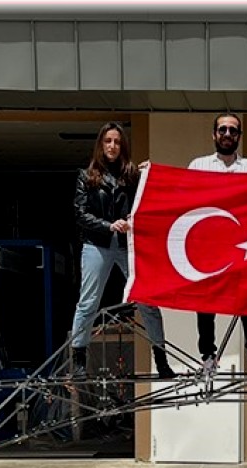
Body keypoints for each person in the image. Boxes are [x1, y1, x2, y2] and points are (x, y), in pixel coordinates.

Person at [69, 121, 175, 379]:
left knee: (147, 299)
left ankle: (160, 359)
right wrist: (109, 225)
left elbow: (151, 201)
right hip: (98, 243)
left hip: (128, 245)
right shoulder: (87, 176)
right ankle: (79, 360)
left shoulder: (132, 175)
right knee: (88, 301)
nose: (112, 146)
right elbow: (80, 213)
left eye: (117, 142)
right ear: (100, 145)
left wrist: (152, 174)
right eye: (108, 141)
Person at [187, 113, 247, 373]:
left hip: (242, 243)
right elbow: (186, 199)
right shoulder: (198, 165)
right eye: (222, 130)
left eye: (233, 130)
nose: (227, 134)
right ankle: (208, 355)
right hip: (209, 244)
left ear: (239, 136)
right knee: (205, 302)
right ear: (214, 134)